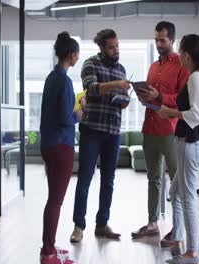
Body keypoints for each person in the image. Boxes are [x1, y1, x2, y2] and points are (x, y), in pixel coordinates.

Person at [157, 34, 199, 264]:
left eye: (180, 52)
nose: (178, 56)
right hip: (197, 145)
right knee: (175, 193)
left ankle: (192, 251)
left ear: (186, 54)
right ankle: (179, 241)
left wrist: (169, 112)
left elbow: (196, 115)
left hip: (191, 145)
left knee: (188, 197)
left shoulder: (195, 77)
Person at [131, 21, 189, 247]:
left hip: (170, 129)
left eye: (162, 40)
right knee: (153, 178)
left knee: (175, 182)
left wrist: (159, 97)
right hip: (150, 129)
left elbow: (182, 99)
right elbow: (151, 96)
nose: (158, 44)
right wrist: (143, 95)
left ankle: (177, 228)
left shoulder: (182, 67)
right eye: (156, 40)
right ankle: (152, 223)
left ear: (172, 40)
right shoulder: (153, 67)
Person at [70, 29, 130, 243]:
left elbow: (122, 97)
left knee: (109, 181)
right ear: (102, 48)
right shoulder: (90, 64)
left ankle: (102, 224)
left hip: (113, 132)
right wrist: (115, 85)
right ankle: (78, 226)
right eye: (112, 47)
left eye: (117, 46)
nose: (116, 50)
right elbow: (91, 89)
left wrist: (124, 100)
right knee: (85, 178)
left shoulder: (122, 69)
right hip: (91, 130)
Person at [39, 31, 83, 264]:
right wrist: (80, 111)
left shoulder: (50, 77)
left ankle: (49, 247)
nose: (77, 58)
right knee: (56, 200)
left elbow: (53, 112)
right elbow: (67, 117)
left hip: (48, 144)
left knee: (52, 198)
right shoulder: (65, 80)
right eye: (77, 55)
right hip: (61, 146)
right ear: (72, 55)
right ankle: (48, 254)